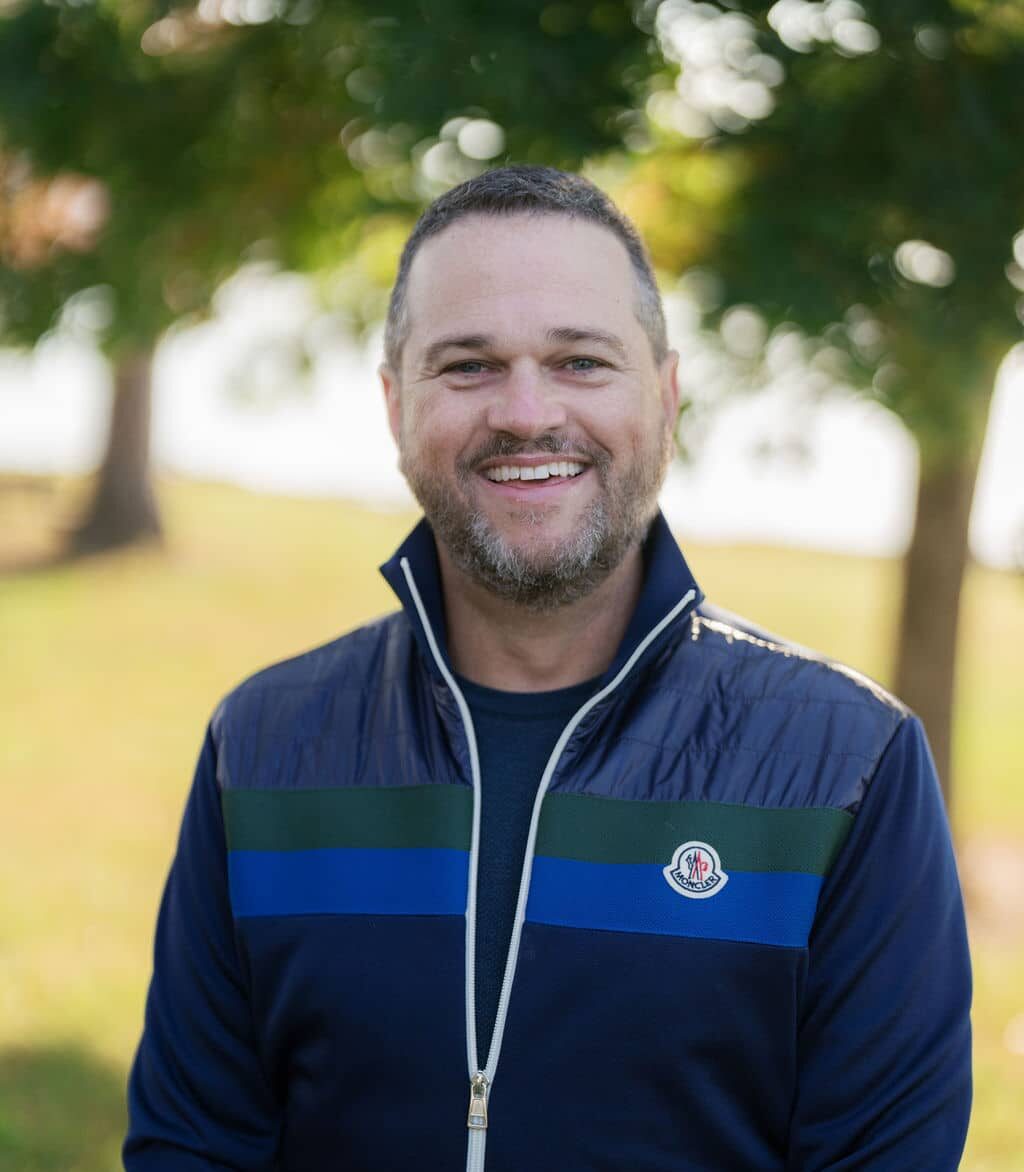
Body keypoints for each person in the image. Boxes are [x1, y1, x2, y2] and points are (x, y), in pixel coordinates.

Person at [124, 166, 972, 1170]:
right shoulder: (264, 747)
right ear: (396, 404)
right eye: (469, 365)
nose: (526, 413)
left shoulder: (846, 763)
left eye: (579, 360)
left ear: (664, 395)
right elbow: (194, 1147)